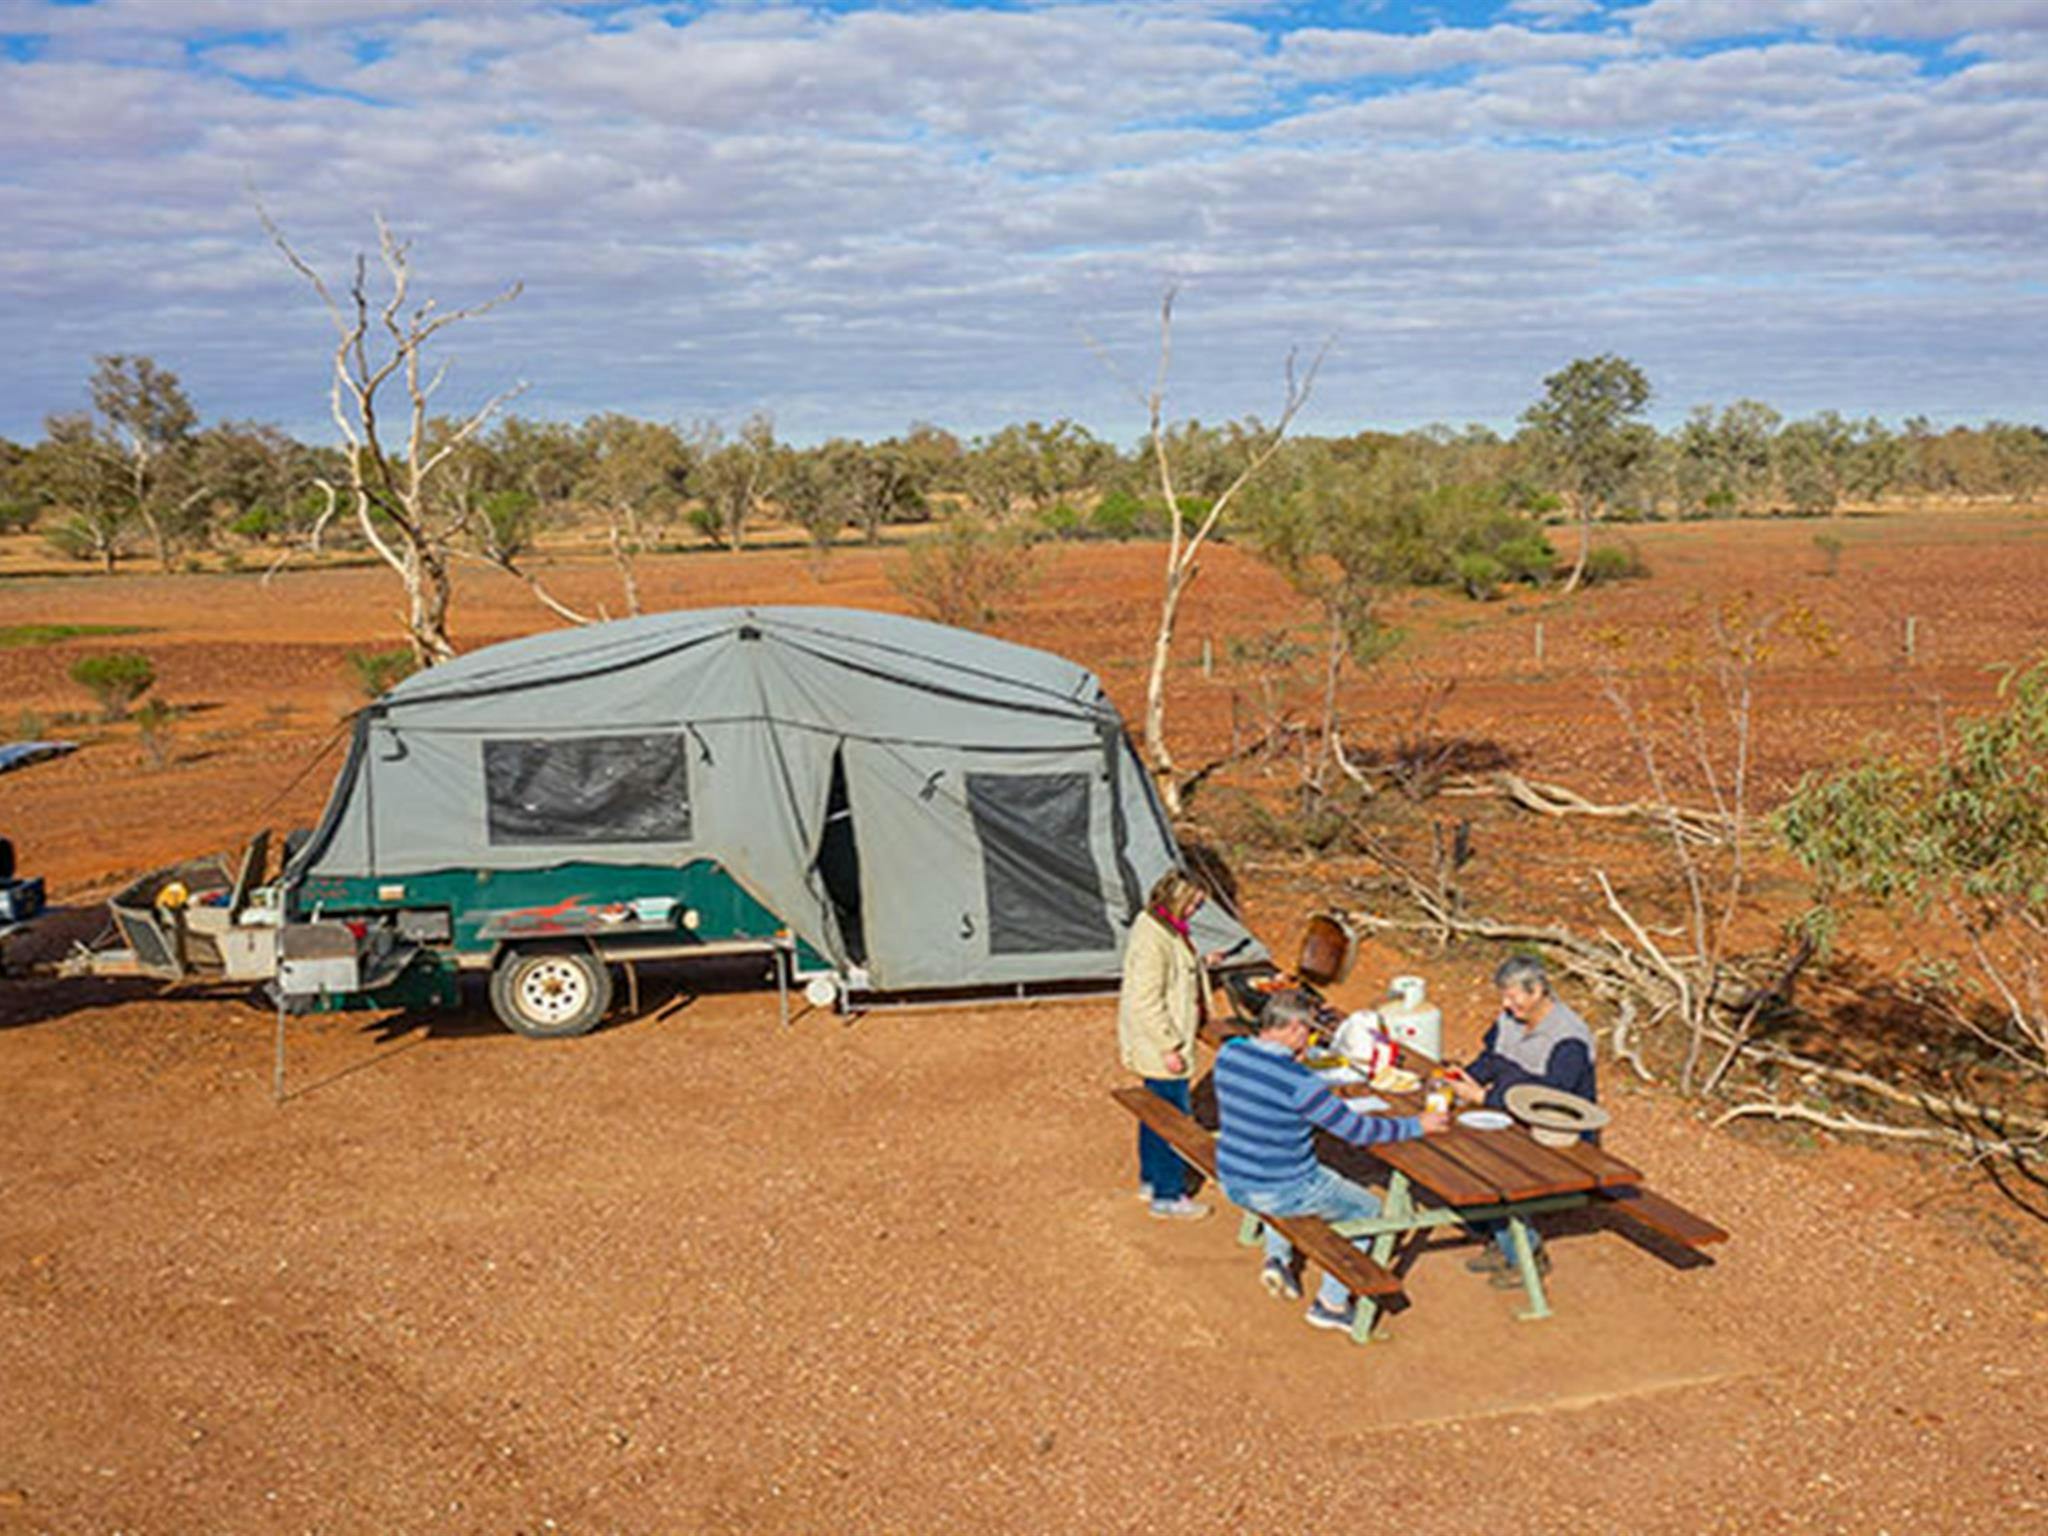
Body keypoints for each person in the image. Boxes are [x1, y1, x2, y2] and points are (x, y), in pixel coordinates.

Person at [1215, 989, 1449, 1332]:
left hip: (1234, 1175)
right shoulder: (1301, 1083)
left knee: (1303, 1171)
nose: (1309, 1040)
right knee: (1366, 1209)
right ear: (1294, 1028)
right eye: (1307, 1032)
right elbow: (1357, 1131)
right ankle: (1332, 1303)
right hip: (1280, 1188)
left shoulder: (1230, 1053)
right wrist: (1417, 1125)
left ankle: (1277, 1259)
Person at [1448, 954, 1598, 1285]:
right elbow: (1491, 1060)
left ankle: (1527, 1255)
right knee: (1454, 1152)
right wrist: (1461, 1080)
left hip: (1558, 1135)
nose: (1505, 1004)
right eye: (1503, 996)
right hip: (1511, 1120)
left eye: (1512, 996)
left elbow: (1549, 1101)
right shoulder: (1509, 1019)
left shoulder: (1568, 1039)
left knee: (1492, 1171)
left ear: (1538, 991)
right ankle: (1499, 1240)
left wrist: (1484, 1098)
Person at [1116, 869, 1216, 1220]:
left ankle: (1151, 1180)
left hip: (1159, 1044)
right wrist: (1169, 1045)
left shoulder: (1161, 927)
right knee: (1174, 1120)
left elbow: (1172, 973)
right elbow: (1145, 998)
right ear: (1177, 899)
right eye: (1193, 904)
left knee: (1155, 1115)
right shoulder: (1153, 937)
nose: (1195, 911)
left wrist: (1201, 966)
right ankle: (1169, 1195)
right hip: (1160, 1046)